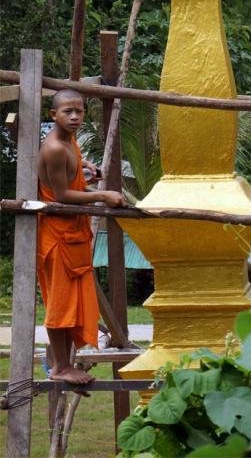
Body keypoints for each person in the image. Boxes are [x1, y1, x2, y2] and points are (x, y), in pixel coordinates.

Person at [37, 89, 127, 386]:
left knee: (71, 303)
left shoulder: (69, 141)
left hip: (73, 235)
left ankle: (63, 362)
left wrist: (86, 168)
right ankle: (61, 366)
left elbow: (70, 175)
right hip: (57, 237)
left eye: (79, 111)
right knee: (60, 305)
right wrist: (102, 194)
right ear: (53, 115)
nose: (75, 117)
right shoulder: (54, 148)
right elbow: (61, 194)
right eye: (68, 112)